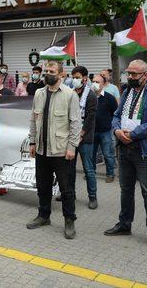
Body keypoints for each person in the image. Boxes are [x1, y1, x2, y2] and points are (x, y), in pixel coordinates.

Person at [104, 59, 147, 251]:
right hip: (125, 149)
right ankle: (124, 224)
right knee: (126, 190)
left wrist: (133, 134)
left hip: (144, 151)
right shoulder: (127, 92)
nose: (129, 77)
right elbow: (116, 116)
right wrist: (117, 132)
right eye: (128, 73)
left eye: (133, 74)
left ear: (145, 75)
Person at [26, 61, 81, 239]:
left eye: (52, 71)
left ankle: (69, 220)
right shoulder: (39, 94)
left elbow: (75, 124)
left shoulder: (70, 95)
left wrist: (72, 147)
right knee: (43, 186)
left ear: (61, 74)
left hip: (61, 151)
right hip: (42, 150)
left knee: (66, 189)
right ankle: (43, 216)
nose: (47, 74)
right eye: (46, 71)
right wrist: (33, 142)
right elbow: (33, 120)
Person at [63, 66, 98, 209]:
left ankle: (92, 196)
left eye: (77, 77)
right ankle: (70, 194)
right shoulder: (70, 93)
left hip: (85, 138)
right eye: (73, 77)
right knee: (69, 168)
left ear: (85, 78)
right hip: (71, 137)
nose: (74, 79)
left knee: (88, 169)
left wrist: (81, 134)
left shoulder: (91, 95)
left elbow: (91, 117)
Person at [92, 73, 118, 182]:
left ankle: (110, 174)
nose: (94, 84)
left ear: (103, 85)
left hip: (105, 131)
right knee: (91, 155)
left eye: (97, 82)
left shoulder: (109, 97)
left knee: (108, 154)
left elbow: (115, 112)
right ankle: (91, 173)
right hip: (92, 131)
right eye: (93, 81)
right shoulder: (89, 96)